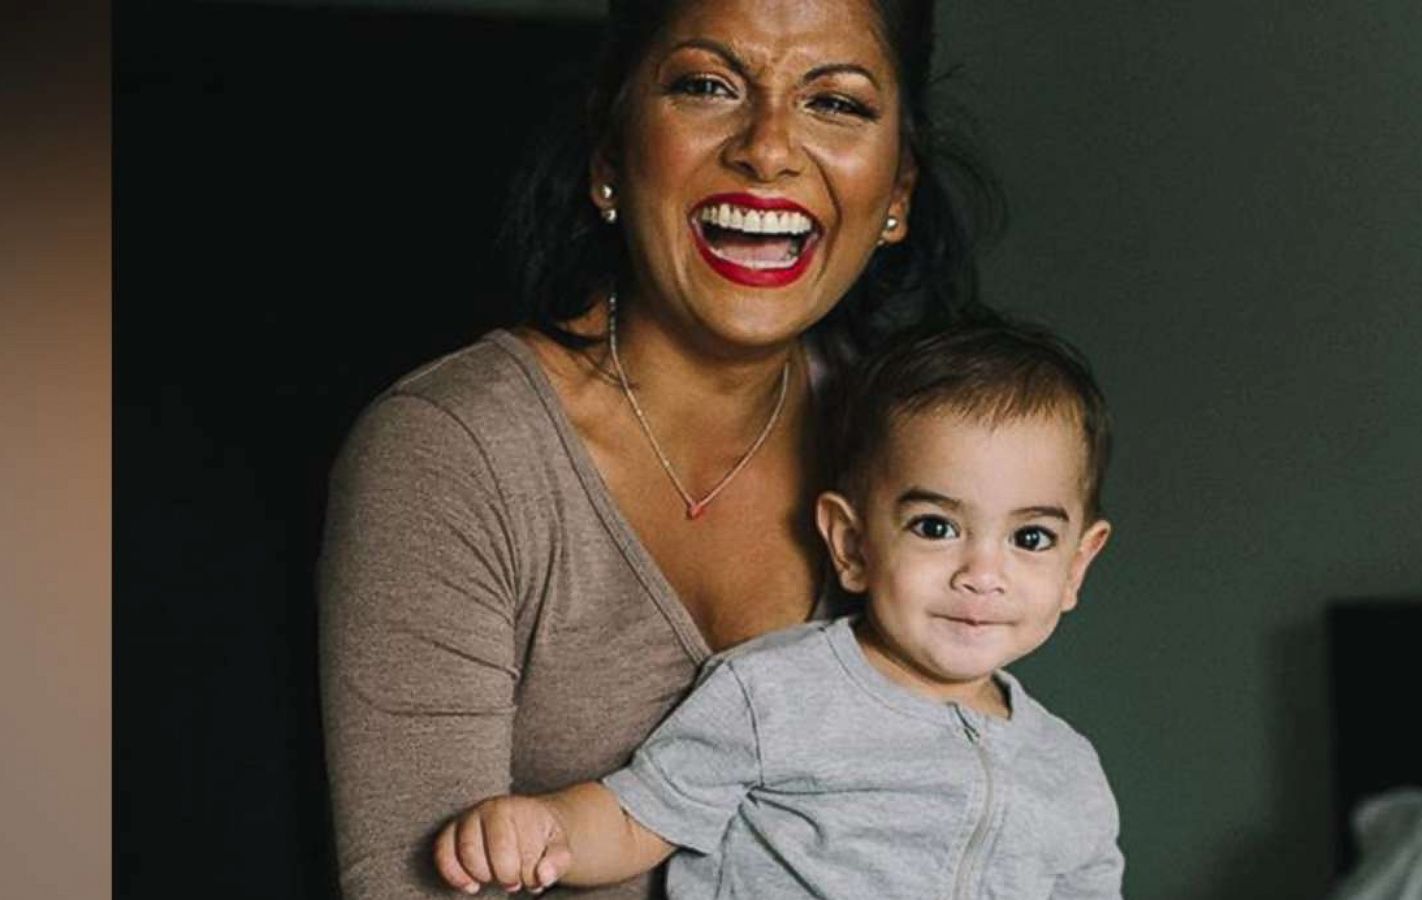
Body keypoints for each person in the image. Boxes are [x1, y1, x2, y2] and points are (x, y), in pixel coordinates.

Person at [318, 0, 998, 897]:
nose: (768, 148)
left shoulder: (919, 445)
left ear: (897, 193)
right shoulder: (454, 450)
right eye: (707, 86)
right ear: (610, 153)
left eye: (835, 103)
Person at [432, 323, 1123, 898]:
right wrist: (545, 827)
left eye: (1030, 538)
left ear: (1077, 566)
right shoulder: (776, 694)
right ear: (850, 544)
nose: (982, 574)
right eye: (935, 527)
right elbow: (637, 816)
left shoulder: (1069, 773)